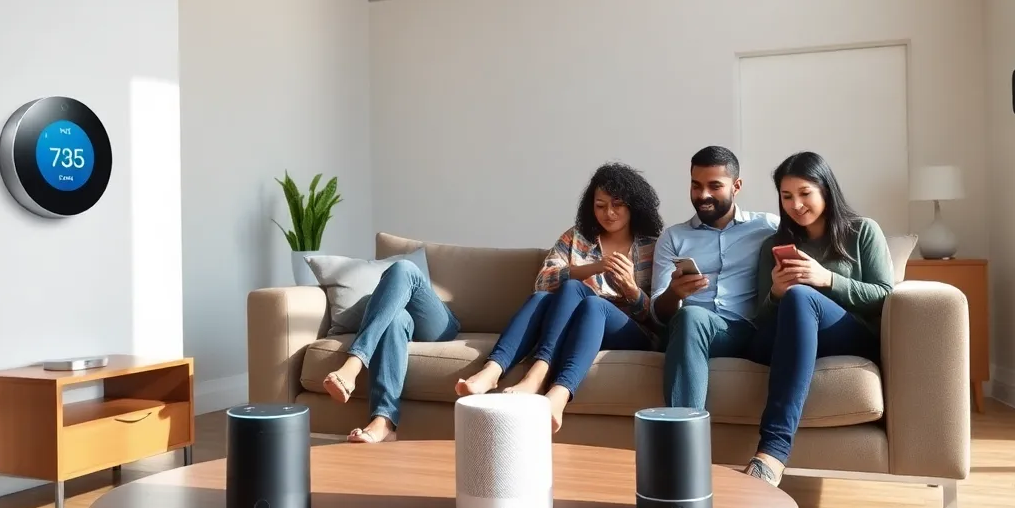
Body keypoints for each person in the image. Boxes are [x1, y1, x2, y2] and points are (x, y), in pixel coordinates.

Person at [456, 162, 664, 432]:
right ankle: (493, 371)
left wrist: (631, 289)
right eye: (600, 205)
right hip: (575, 324)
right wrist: (595, 267)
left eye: (618, 205)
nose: (609, 213)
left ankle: (555, 388)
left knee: (592, 303)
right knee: (548, 296)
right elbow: (542, 282)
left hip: (629, 330)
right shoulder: (576, 237)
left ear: (634, 205)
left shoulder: (652, 246)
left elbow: (659, 316)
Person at [742, 151, 893, 486]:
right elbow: (760, 319)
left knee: (801, 296)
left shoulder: (862, 232)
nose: (796, 205)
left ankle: (773, 453)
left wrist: (827, 279)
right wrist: (775, 294)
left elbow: (885, 295)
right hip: (790, 339)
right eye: (787, 197)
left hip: (848, 335)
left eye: (804, 193)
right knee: (791, 299)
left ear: (825, 189)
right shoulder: (774, 245)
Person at [652, 146, 779, 411]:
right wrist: (674, 294)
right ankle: (684, 436)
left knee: (692, 317)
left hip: (745, 330)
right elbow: (658, 315)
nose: (703, 195)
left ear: (737, 186)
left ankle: (680, 439)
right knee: (691, 316)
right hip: (687, 332)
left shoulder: (767, 227)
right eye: (696, 186)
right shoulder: (674, 237)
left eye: (714, 186)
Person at [321, 259, 460, 444]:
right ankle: (383, 423)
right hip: (402, 319)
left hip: (436, 323)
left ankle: (354, 362)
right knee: (394, 320)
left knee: (404, 267)